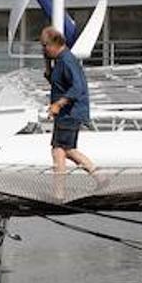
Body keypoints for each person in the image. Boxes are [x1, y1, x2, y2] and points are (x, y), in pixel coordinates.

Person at [40, 26, 97, 175]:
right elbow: (56, 83)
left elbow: (78, 87)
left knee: (60, 151)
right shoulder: (59, 61)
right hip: (65, 114)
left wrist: (59, 104)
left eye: (45, 47)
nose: (44, 50)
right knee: (64, 150)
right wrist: (47, 64)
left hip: (70, 113)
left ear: (53, 44)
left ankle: (60, 193)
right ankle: (99, 177)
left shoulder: (67, 61)